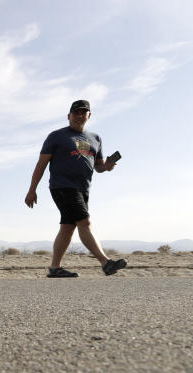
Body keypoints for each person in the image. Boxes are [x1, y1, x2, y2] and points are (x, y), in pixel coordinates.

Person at [24, 100, 128, 277]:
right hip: (63, 186)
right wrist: (32, 189)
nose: (80, 116)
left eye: (83, 113)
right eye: (76, 113)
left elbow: (99, 167)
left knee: (68, 227)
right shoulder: (56, 136)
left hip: (83, 188)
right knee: (84, 222)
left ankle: (55, 269)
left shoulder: (95, 138)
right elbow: (41, 164)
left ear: (89, 115)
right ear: (69, 116)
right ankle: (106, 263)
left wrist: (108, 166)